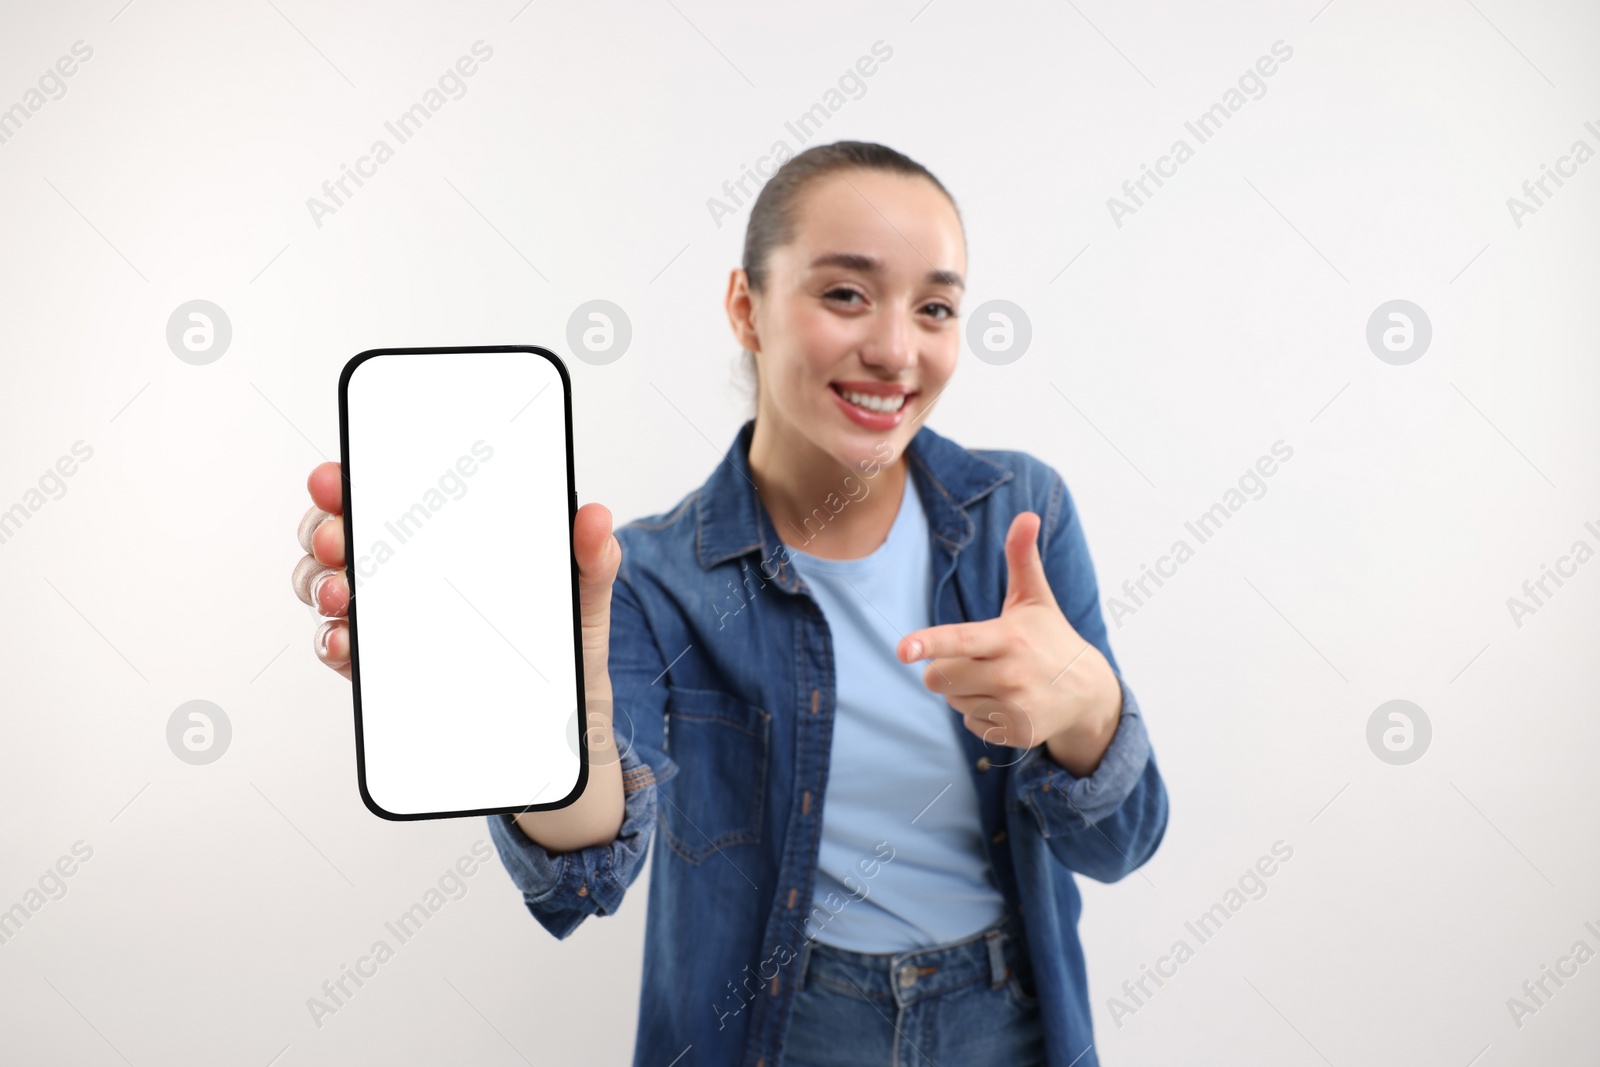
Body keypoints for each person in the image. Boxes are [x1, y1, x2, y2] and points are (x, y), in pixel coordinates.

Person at [292, 140, 1168, 1067]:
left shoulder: (1019, 514)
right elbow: (585, 874)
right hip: (781, 1029)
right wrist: (552, 716)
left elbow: (1123, 842)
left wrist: (1089, 706)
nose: (896, 348)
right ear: (746, 308)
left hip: (1009, 1024)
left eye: (936, 307)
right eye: (845, 293)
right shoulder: (649, 576)